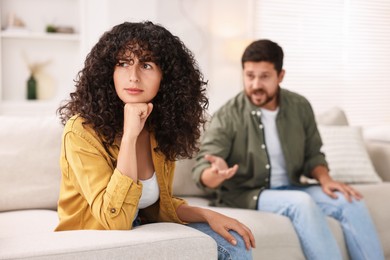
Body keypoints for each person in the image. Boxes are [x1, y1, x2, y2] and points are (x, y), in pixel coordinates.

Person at [55, 21, 255, 260]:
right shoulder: (81, 130)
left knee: (235, 244)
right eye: (123, 63)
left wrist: (208, 215)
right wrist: (130, 135)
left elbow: (158, 205)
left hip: (141, 228)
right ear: (109, 71)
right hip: (96, 238)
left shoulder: (159, 127)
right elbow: (115, 220)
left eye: (147, 65)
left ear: (166, 77)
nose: (134, 77)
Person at [192, 39, 384, 260]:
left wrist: (325, 179)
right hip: (249, 193)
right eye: (249, 76)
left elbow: (313, 154)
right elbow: (202, 170)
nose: (255, 84)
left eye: (264, 77)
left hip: (293, 186)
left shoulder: (300, 106)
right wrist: (215, 175)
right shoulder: (228, 114)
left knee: (350, 200)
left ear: (280, 75)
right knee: (301, 203)